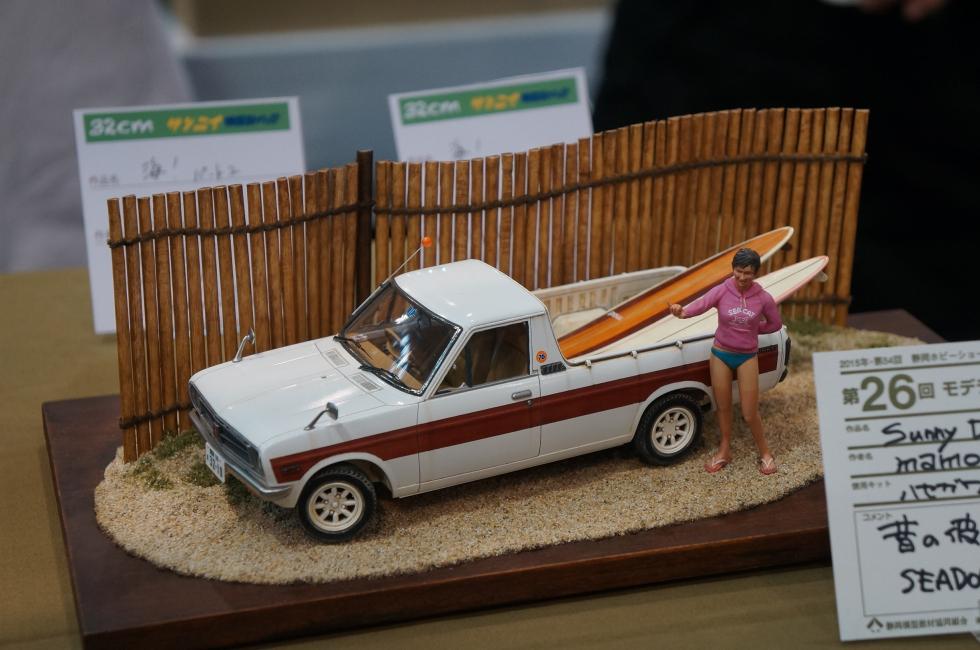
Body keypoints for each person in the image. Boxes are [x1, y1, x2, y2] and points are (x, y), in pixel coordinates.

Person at [669, 248, 782, 475]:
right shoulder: (722, 290)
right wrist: (682, 312)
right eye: (738, 271)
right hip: (721, 353)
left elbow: (775, 324)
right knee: (723, 407)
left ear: (755, 273)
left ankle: (765, 452)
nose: (742, 277)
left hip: (747, 356)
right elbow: (701, 305)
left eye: (748, 273)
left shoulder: (763, 297)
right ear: (733, 269)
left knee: (749, 412)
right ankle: (724, 450)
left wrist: (752, 329)